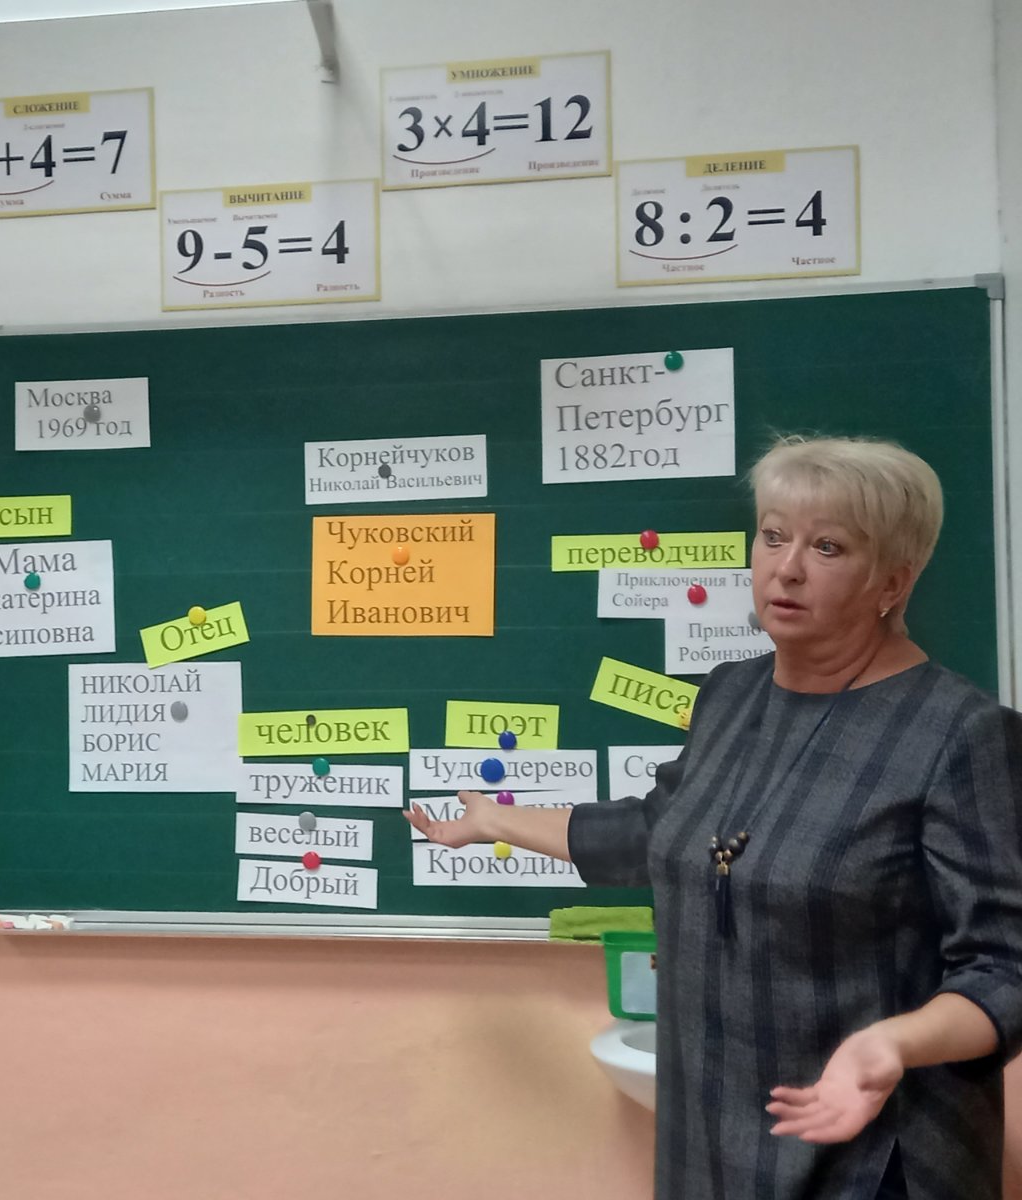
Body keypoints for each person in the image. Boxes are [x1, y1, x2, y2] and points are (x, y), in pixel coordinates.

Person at [407, 435, 1022, 1200]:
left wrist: (892, 1044)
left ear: (892, 582)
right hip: (713, 1134)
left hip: (872, 1151)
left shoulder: (958, 734)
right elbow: (662, 832)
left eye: (828, 547)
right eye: (773, 536)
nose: (786, 568)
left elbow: (1006, 967)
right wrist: (498, 822)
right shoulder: (729, 694)